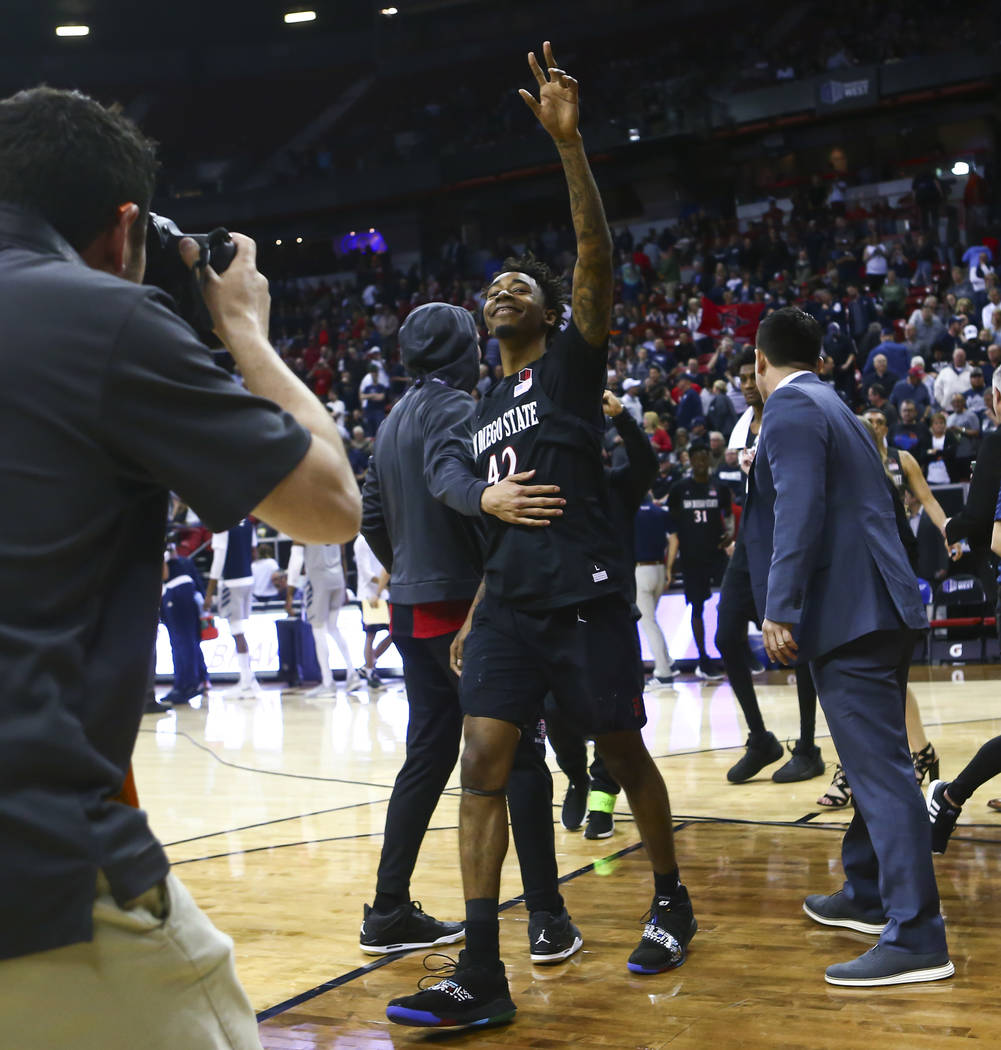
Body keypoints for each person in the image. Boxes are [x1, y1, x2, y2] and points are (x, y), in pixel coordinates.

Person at [0, 86, 359, 1050]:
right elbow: (328, 506)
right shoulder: (96, 317)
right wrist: (243, 329)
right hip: (36, 860)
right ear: (123, 229)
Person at [387, 44, 695, 1031]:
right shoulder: (478, 412)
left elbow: (594, 254)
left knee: (618, 752)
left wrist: (569, 148)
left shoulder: (568, 366)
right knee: (480, 762)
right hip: (511, 607)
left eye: (521, 285)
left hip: (586, 593)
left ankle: (669, 897)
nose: (501, 291)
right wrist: (477, 609)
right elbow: (488, 532)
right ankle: (482, 965)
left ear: (555, 312)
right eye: (493, 289)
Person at [361, 301, 577, 968]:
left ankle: (387, 909)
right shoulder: (456, 408)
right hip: (465, 610)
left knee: (426, 755)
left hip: (410, 608)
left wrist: (408, 572)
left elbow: (370, 515)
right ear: (462, 353)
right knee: (517, 760)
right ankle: (546, 917)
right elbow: (465, 492)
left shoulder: (391, 419)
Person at [743, 306, 951, 987]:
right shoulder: (840, 407)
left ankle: (917, 935)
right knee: (873, 762)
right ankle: (865, 890)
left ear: (757, 360)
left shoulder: (790, 410)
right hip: (881, 602)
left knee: (881, 771)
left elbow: (797, 506)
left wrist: (779, 606)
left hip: (849, 612)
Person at [715, 349, 824, 784]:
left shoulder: (785, 414)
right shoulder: (742, 426)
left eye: (749, 374)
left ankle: (809, 746)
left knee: (794, 644)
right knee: (725, 634)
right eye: (738, 377)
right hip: (748, 540)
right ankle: (761, 738)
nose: (745, 383)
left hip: (781, 537)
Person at [667, 442, 732, 679]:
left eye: (705, 458)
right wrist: (671, 561)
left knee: (731, 604)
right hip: (692, 558)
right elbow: (672, 524)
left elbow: (729, 515)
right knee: (696, 607)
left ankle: (734, 652)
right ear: (690, 460)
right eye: (697, 458)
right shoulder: (678, 489)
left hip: (716, 555)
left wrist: (729, 535)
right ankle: (703, 658)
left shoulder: (720, 488)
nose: (701, 462)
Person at [285, 541, 360, 696]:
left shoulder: (303, 526)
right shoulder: (333, 521)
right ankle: (352, 673)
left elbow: (296, 561)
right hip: (337, 577)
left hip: (318, 581)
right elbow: (343, 554)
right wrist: (344, 585)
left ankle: (328, 682)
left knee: (318, 632)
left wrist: (290, 594)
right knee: (333, 628)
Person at [204, 519, 262, 699]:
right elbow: (254, 552)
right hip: (248, 580)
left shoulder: (222, 525)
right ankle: (249, 680)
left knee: (237, 632)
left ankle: (246, 683)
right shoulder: (248, 524)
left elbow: (218, 560)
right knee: (239, 631)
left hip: (232, 582)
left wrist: (209, 592)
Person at [159, 546, 209, 708]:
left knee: (181, 642)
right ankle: (202, 680)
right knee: (191, 640)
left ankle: (185, 685)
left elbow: (164, 573)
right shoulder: (183, 560)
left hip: (175, 593)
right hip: (189, 593)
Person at [353, 531, 393, 687]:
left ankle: (367, 664)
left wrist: (383, 587)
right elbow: (366, 572)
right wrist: (382, 584)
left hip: (382, 593)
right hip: (368, 595)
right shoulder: (361, 541)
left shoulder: (377, 537)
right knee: (371, 635)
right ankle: (370, 671)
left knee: (394, 633)